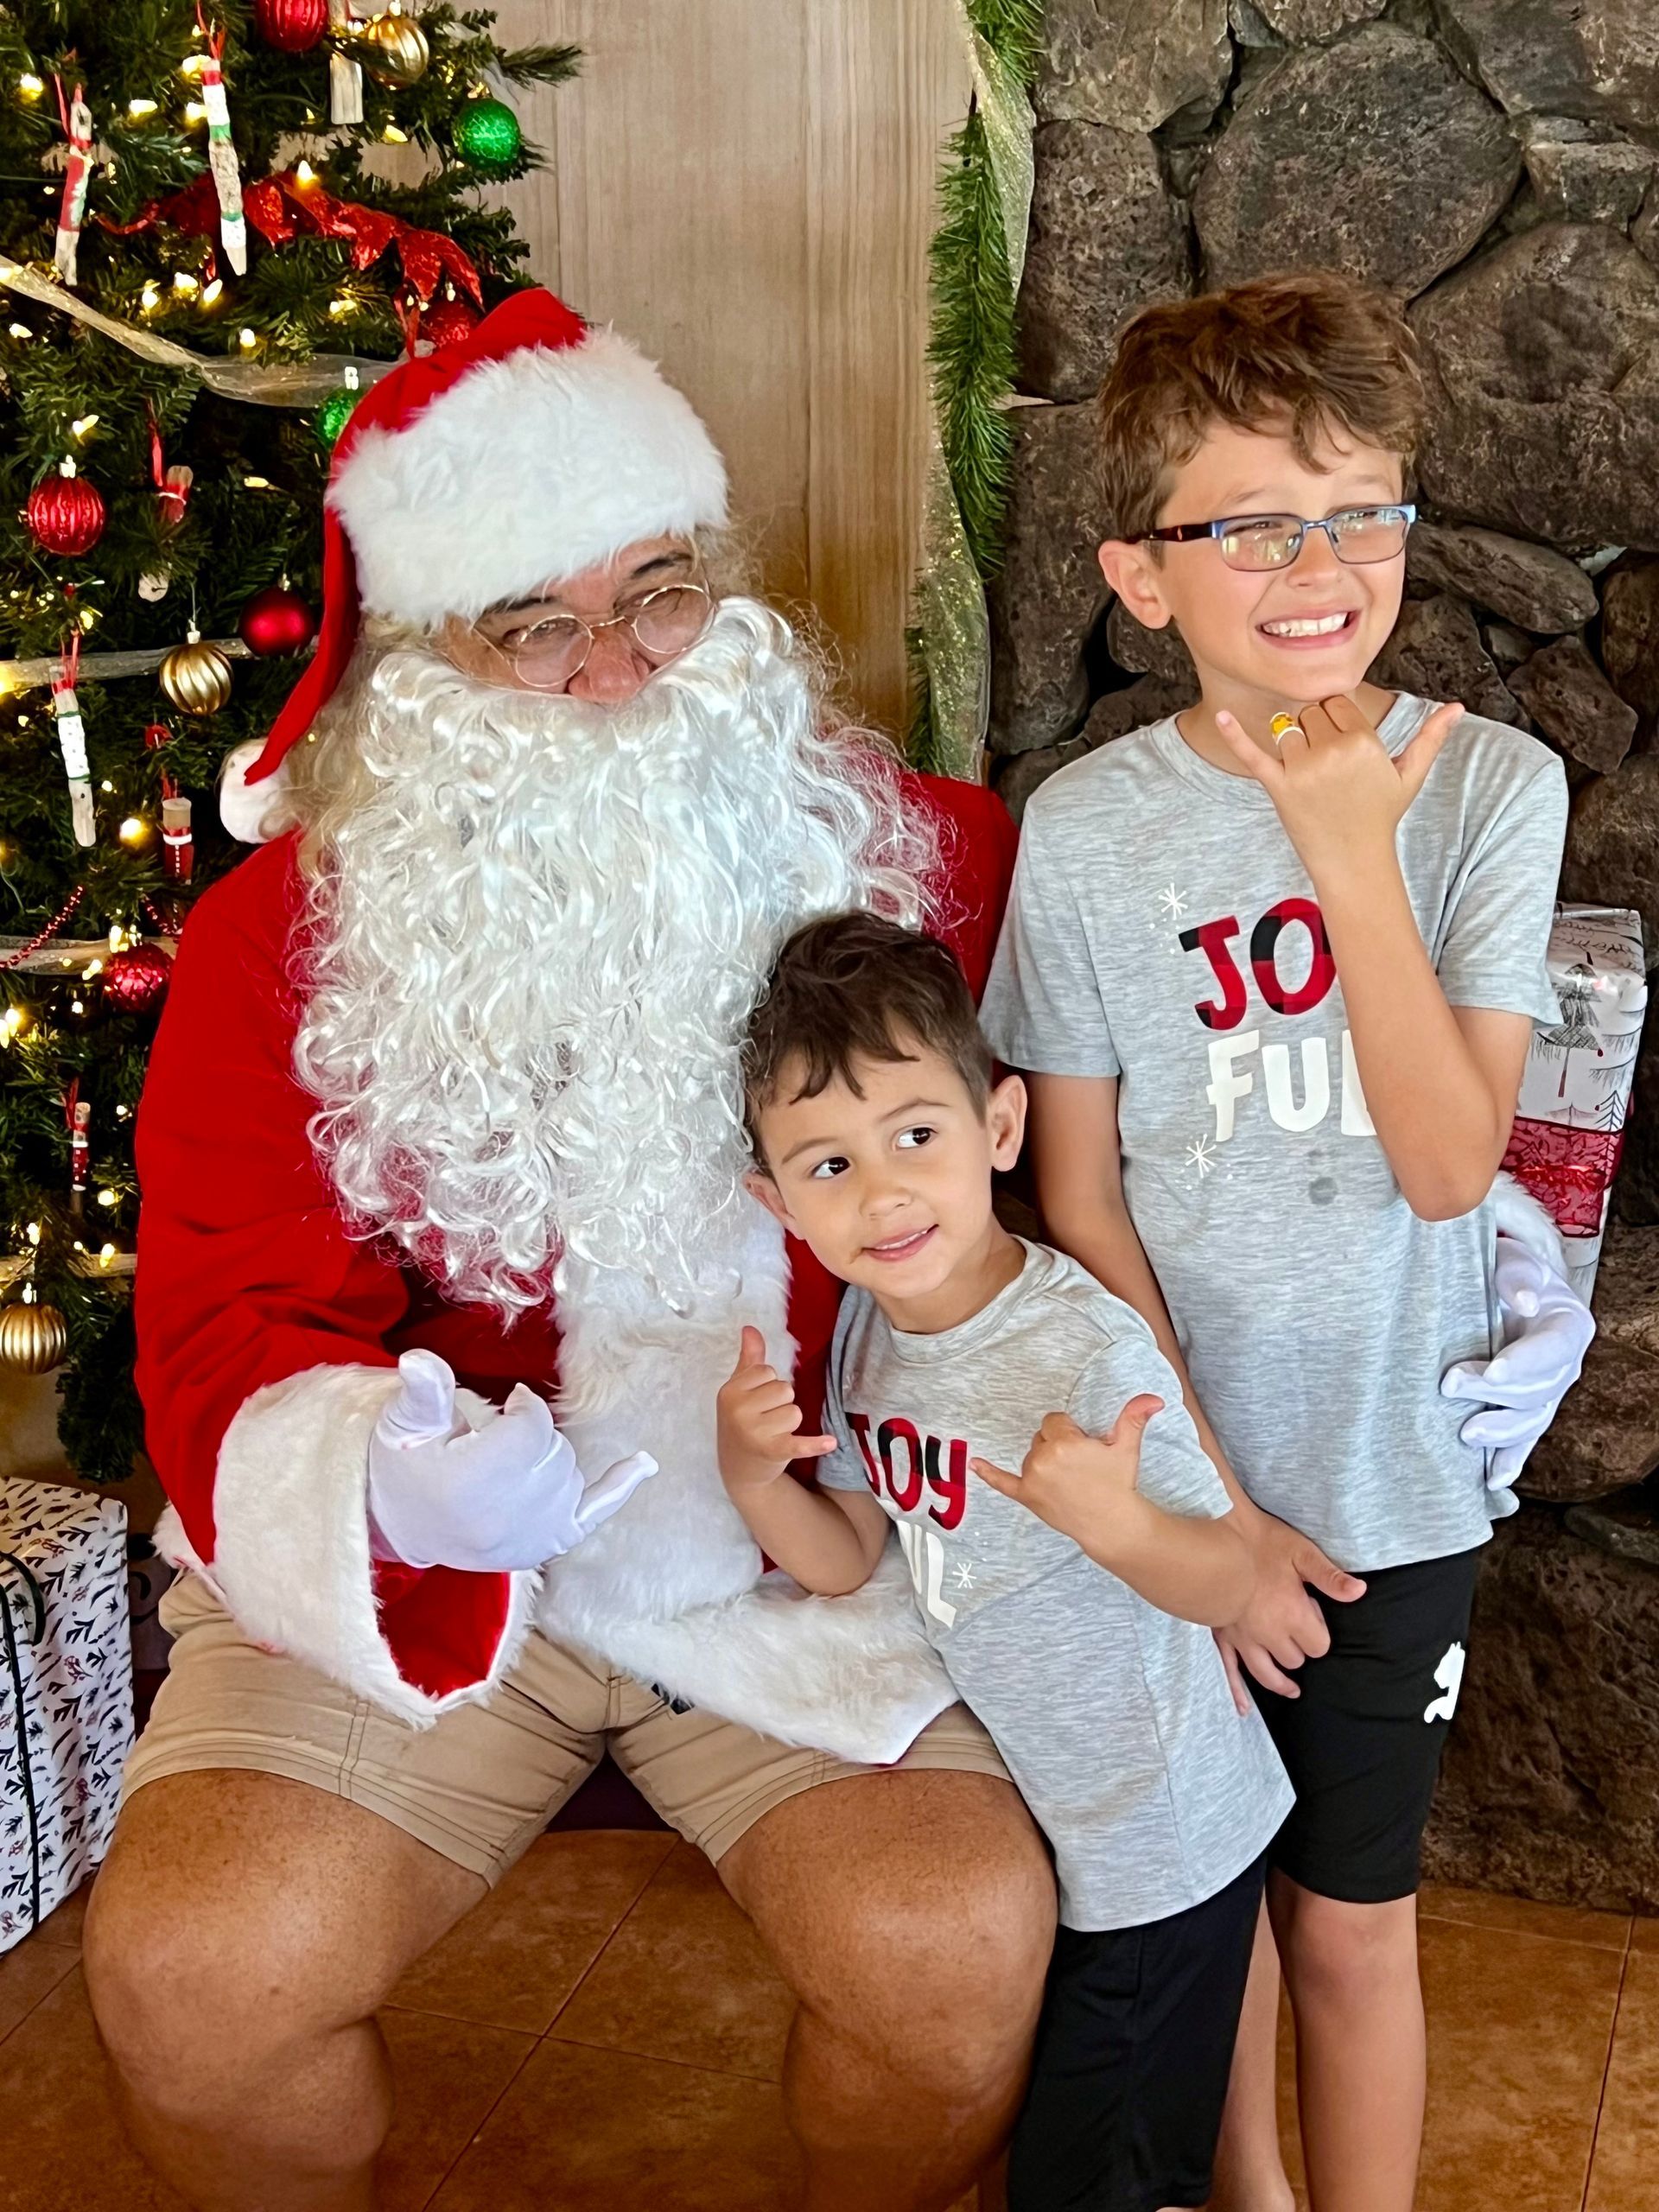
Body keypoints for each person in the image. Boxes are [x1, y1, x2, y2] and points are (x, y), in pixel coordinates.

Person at [84, 290, 1058, 2212]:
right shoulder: (276, 938)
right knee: (200, 1974)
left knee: (951, 1945)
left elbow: (1123, 1177)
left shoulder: (942, 862)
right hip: (445, 1580)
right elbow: (225, 1306)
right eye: (534, 620)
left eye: (662, 590)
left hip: (825, 1552)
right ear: (420, 664)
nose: (617, 668)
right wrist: (389, 1464)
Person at [978, 270, 1592, 2212]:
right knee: (1209, 1902)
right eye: (1251, 520)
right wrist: (1204, 1503)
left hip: (1394, 1476)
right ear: (1143, 573)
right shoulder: (1081, 830)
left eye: (1362, 506)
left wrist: (1346, 843)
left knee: (1349, 1915)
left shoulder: (1493, 788)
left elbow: (1445, 1159)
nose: (1318, 561)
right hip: (1177, 1475)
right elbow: (1076, 1192)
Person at [719, 911, 1296, 2212]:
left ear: (1001, 1129)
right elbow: (845, 1551)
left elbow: (1225, 1585)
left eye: (916, 1136)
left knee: (1097, 2185)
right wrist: (756, 1479)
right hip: (1063, 1834)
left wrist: (1125, 1526)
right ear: (775, 1202)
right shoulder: (871, 1329)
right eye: (827, 1165)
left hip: (1156, 1846)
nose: (882, 1194)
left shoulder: (1079, 1352)